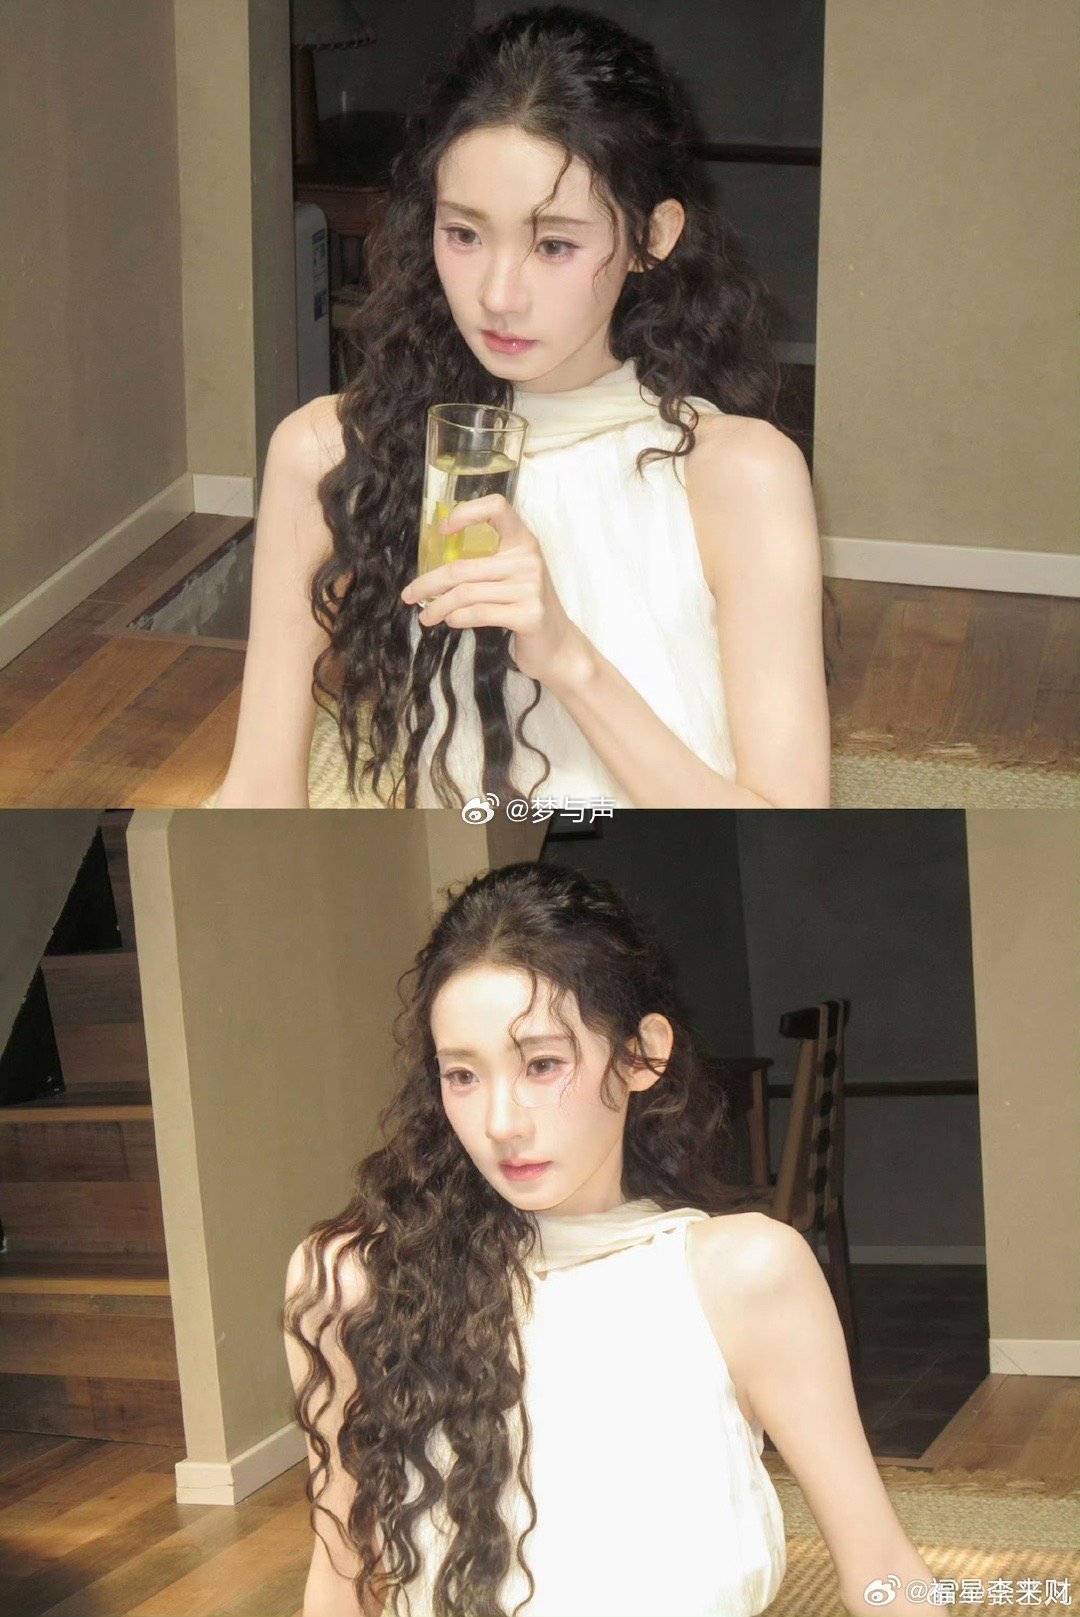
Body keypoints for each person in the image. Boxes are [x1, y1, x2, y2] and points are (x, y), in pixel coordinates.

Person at [216, 6, 830, 812]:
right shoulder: (331, 451)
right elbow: (259, 793)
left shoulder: (739, 472)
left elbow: (787, 819)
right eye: (465, 235)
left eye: (555, 245)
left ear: (653, 237)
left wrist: (569, 658)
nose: (498, 296)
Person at [283, 862, 937, 1617]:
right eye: (462, 1075)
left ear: (641, 1054)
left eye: (543, 1064)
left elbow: (882, 1566)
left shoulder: (743, 1275)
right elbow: (339, 1576)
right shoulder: (355, 1280)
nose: (501, 1122)